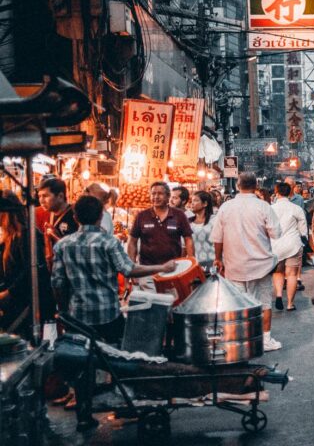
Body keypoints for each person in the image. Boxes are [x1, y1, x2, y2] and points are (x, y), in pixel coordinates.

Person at [51, 195, 175, 432]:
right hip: (108, 314)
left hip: (78, 317)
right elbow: (129, 269)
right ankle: (125, 400)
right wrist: (163, 267)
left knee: (82, 364)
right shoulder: (108, 243)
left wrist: (64, 309)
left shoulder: (63, 245)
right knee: (120, 358)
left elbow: (57, 282)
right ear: (100, 216)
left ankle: (84, 415)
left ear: (75, 217)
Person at [211, 173, 283, 351]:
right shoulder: (263, 207)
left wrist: (218, 259)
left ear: (237, 185)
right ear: (256, 186)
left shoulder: (226, 207)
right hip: (261, 265)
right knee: (264, 303)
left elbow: (217, 238)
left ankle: (239, 339)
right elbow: (276, 233)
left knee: (236, 304)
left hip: (234, 265)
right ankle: (265, 340)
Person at [0, 192, 54, 339]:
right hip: (15, 300)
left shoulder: (27, 235)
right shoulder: (8, 237)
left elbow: (31, 270)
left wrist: (8, 293)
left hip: (28, 303)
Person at [127, 182, 194, 289]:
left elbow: (188, 239)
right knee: (150, 304)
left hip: (173, 270)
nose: (156, 197)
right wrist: (132, 268)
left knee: (172, 302)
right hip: (147, 271)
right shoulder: (142, 216)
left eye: (160, 194)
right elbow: (132, 242)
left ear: (168, 196)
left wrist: (191, 266)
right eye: (153, 194)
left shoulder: (179, 215)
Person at [271, 182, 307, 311]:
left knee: (278, 272)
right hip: (293, 244)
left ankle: (279, 295)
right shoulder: (296, 209)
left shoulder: (271, 209)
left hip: (276, 245)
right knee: (291, 274)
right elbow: (303, 229)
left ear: (277, 193)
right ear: (289, 193)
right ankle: (290, 303)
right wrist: (304, 240)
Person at [38, 178, 78, 269]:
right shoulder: (45, 214)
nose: (41, 200)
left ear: (60, 196)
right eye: (39, 196)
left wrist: (56, 236)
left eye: (45, 196)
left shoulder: (75, 215)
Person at [189, 191, 216, 273]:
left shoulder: (214, 220)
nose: (192, 203)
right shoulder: (189, 222)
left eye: (196, 200)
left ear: (205, 204)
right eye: (191, 201)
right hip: (196, 264)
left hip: (213, 263)